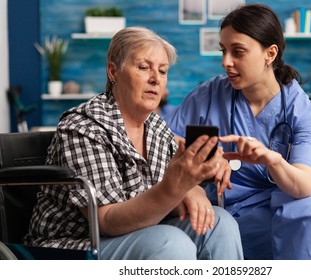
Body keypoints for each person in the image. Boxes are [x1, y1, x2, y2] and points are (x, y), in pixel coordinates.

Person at [23, 26, 243, 260]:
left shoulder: (157, 127)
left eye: (162, 70)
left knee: (219, 223)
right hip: (73, 245)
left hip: (140, 232)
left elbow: (179, 185)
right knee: (172, 243)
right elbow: (106, 221)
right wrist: (178, 189)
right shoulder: (83, 127)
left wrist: (195, 184)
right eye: (143, 67)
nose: (155, 79)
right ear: (113, 71)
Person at [164, 4, 311, 260]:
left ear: (270, 53)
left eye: (238, 52)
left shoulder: (301, 110)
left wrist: (272, 159)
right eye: (223, 51)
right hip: (230, 208)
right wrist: (194, 181)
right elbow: (162, 141)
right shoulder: (209, 95)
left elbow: (301, 186)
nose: (226, 62)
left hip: (286, 205)